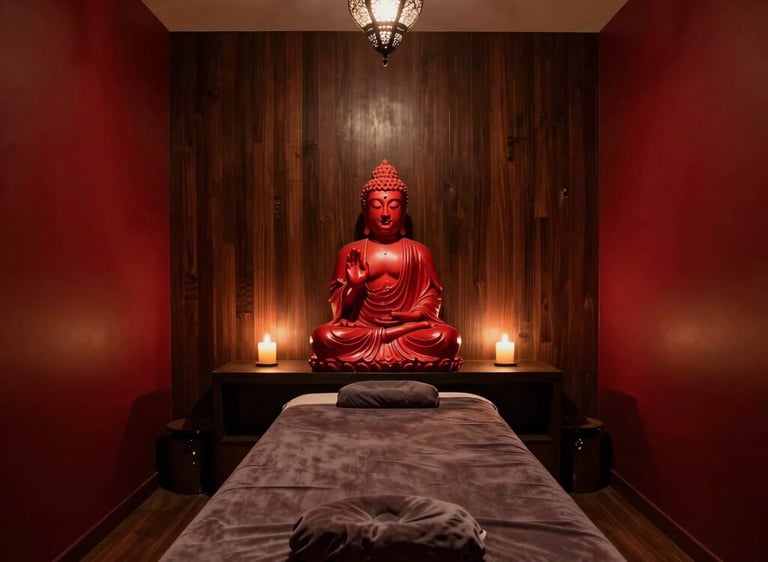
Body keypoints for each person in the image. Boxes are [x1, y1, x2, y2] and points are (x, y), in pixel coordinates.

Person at [309, 160, 462, 371]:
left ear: (404, 209)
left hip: (408, 330)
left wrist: (415, 315)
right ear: (365, 212)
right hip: (362, 329)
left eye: (394, 206)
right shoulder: (350, 252)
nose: (385, 213)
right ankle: (396, 353)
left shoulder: (419, 252)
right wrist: (354, 286)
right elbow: (337, 306)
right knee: (323, 337)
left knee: (447, 338)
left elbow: (432, 297)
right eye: (376, 206)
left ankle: (380, 352)